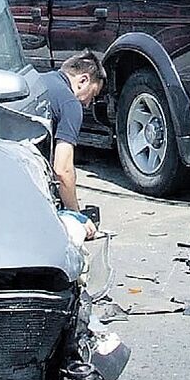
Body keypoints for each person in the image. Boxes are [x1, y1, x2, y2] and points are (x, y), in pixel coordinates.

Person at [43, 50, 107, 239]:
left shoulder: (42, 79)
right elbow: (62, 170)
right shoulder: (71, 104)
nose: (88, 104)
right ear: (83, 80)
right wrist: (76, 215)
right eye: (93, 95)